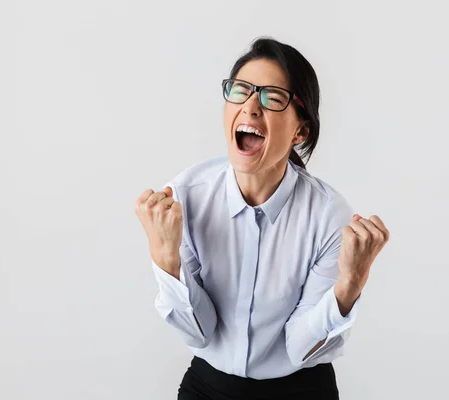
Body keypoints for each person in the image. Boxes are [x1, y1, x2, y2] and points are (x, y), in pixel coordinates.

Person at [134, 37, 389, 400]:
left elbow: (300, 348)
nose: (251, 107)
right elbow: (200, 332)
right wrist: (166, 260)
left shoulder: (329, 216)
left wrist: (348, 287)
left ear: (300, 131)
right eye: (241, 91)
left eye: (272, 97)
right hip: (209, 387)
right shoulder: (186, 196)